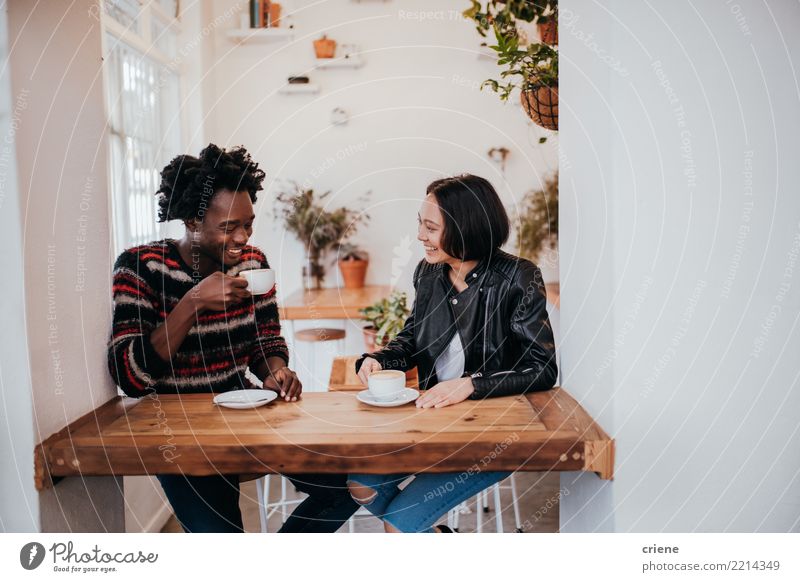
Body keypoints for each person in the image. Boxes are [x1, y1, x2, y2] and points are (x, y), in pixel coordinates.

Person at [107, 143, 358, 533]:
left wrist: (276, 372)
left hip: (247, 416)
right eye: (229, 227)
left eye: (248, 224)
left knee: (348, 487)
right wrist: (193, 302)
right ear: (192, 221)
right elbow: (131, 376)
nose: (243, 237)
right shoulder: (141, 267)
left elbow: (266, 340)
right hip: (180, 433)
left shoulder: (253, 264)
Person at [347, 174, 558, 533]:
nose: (420, 236)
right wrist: (380, 359)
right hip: (434, 425)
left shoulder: (519, 277)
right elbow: (413, 337)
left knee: (398, 528)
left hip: (492, 437)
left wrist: (472, 384)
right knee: (361, 483)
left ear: (467, 228)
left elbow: (543, 368)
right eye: (420, 224)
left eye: (431, 227)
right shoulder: (428, 273)